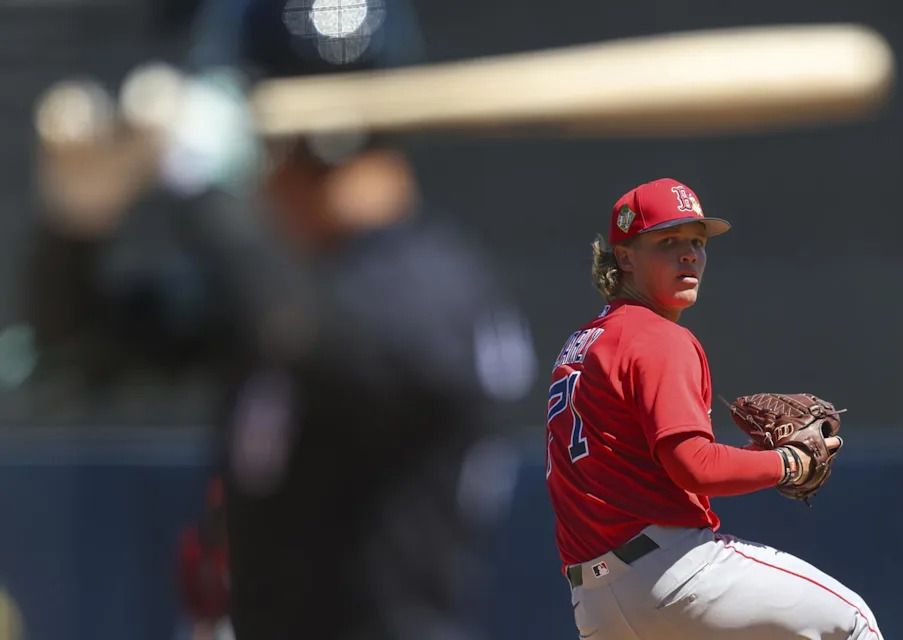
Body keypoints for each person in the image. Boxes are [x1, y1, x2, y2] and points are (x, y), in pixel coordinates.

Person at [28, 0, 536, 638]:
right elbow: (77, 350)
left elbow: (307, 341)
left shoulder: (433, 293)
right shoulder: (285, 283)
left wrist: (206, 186)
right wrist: (76, 223)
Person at [544, 177, 881, 640]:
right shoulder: (658, 337)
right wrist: (788, 463)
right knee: (853, 622)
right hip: (674, 574)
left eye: (697, 242)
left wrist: (748, 456)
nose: (689, 255)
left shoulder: (581, 344)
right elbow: (694, 467)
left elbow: (642, 465)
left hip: (594, 599)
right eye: (667, 242)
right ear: (624, 257)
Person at [175, 477, 232, 640]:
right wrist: (201, 621)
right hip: (201, 617)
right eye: (215, 513)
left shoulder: (238, 546)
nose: (219, 519)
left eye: (223, 513)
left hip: (229, 619)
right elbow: (188, 592)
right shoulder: (191, 545)